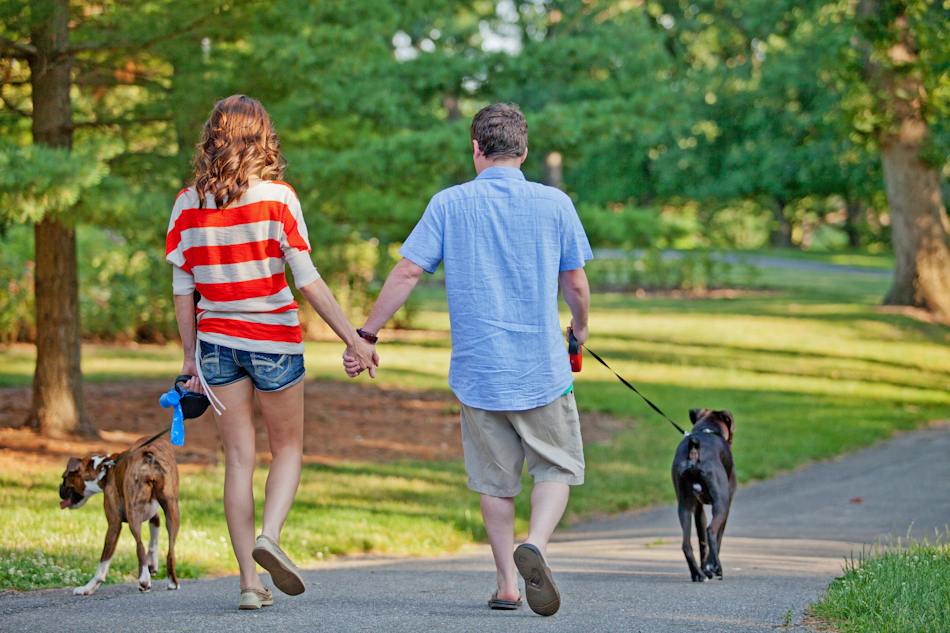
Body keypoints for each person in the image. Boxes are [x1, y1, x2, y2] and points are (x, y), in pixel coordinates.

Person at [345, 103, 592, 617]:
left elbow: (408, 272)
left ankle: (506, 583)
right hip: (542, 368)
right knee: (556, 466)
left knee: (494, 481)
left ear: (477, 149)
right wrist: (581, 328)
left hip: (479, 374)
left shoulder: (448, 204)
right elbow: (576, 282)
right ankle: (538, 546)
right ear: (522, 150)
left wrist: (366, 333)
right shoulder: (556, 204)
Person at [167, 95, 378, 610]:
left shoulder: (186, 202)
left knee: (238, 461)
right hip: (274, 342)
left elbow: (181, 286)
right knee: (287, 449)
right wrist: (354, 338)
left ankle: (247, 583)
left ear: (213, 137)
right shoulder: (279, 199)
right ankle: (271, 536)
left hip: (216, 346)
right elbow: (306, 280)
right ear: (262, 138)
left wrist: (190, 358)